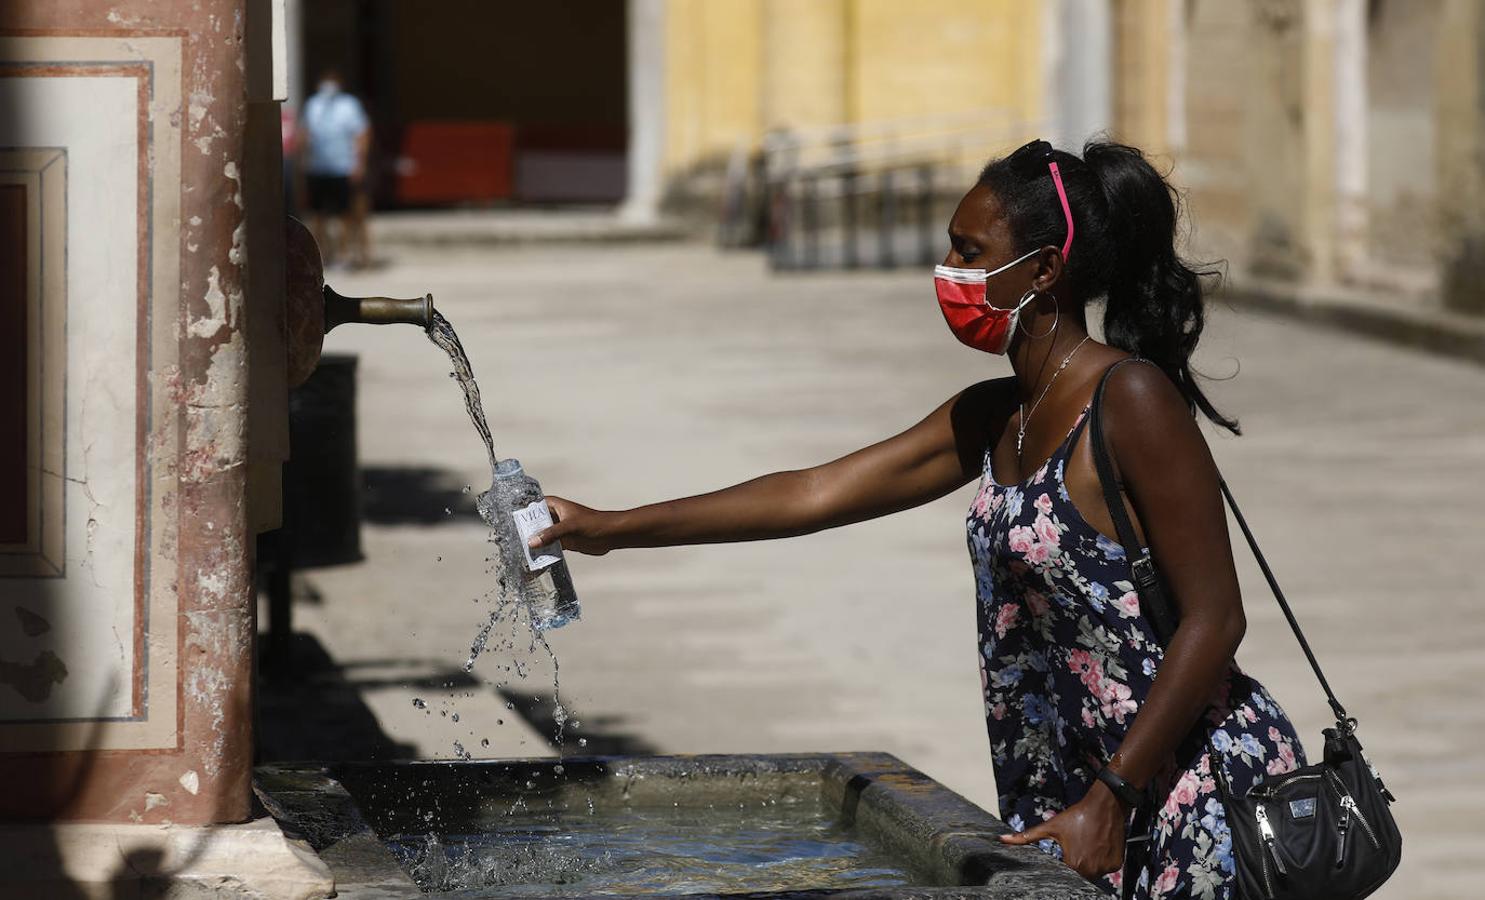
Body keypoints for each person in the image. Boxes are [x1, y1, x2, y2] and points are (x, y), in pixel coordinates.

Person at [530, 139, 1305, 899]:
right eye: (950, 251)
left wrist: (1112, 795)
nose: (949, 275)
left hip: (1188, 794)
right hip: (1080, 796)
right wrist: (608, 527)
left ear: (1041, 272)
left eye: (969, 254)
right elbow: (812, 492)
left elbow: (1215, 618)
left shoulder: (1129, 400)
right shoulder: (997, 415)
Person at [300, 69, 371, 268]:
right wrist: (302, 164)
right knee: (318, 214)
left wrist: (360, 163)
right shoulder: (313, 104)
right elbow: (305, 134)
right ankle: (322, 254)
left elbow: (362, 133)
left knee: (345, 214)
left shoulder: (349, 105)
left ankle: (344, 253)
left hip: (343, 167)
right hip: (318, 167)